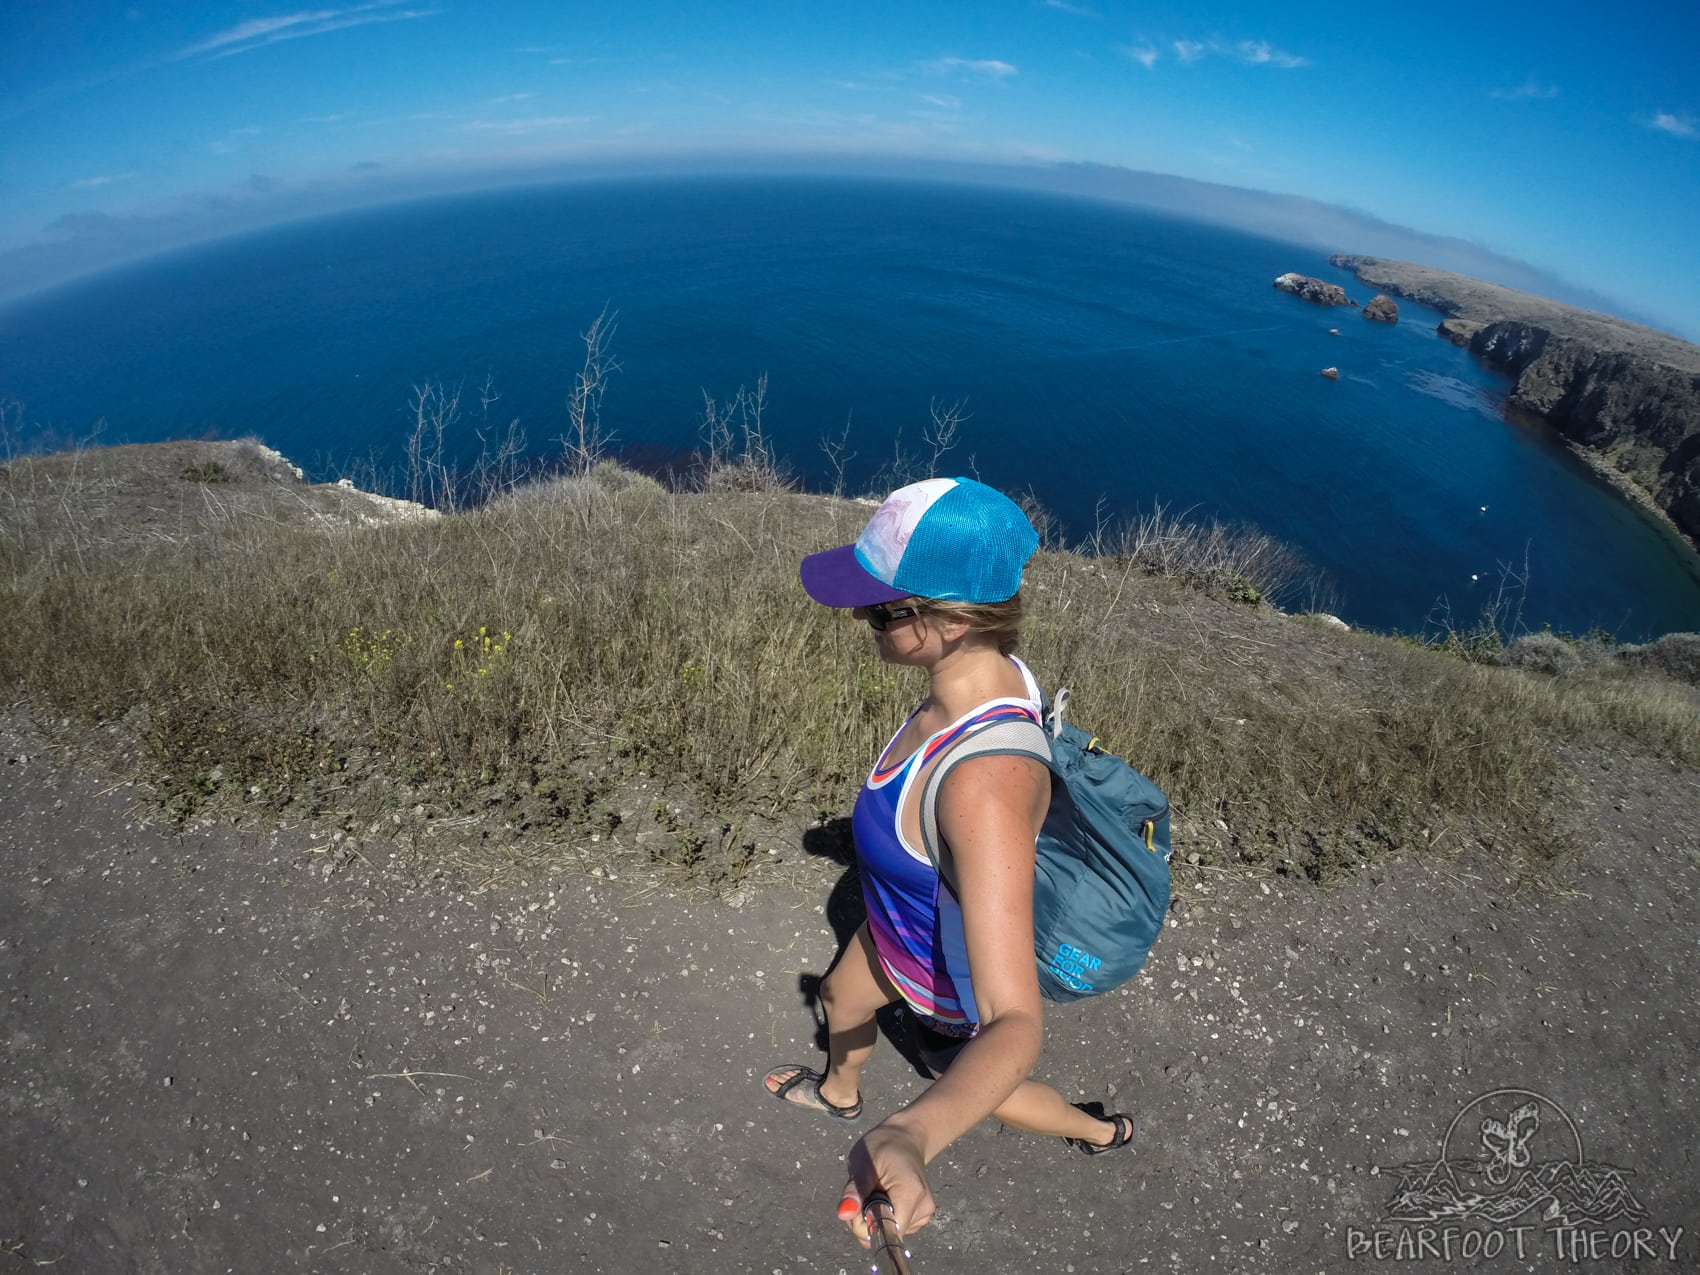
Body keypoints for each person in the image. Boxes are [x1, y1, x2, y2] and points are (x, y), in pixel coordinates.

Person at [764, 476, 1135, 1249]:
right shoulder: (981, 678)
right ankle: (840, 1093)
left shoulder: (983, 785)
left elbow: (1014, 1020)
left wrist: (911, 1137)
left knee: (980, 1084)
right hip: (898, 936)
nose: (861, 616)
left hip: (945, 976)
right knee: (839, 995)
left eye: (883, 607)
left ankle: (1097, 1131)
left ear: (954, 619)